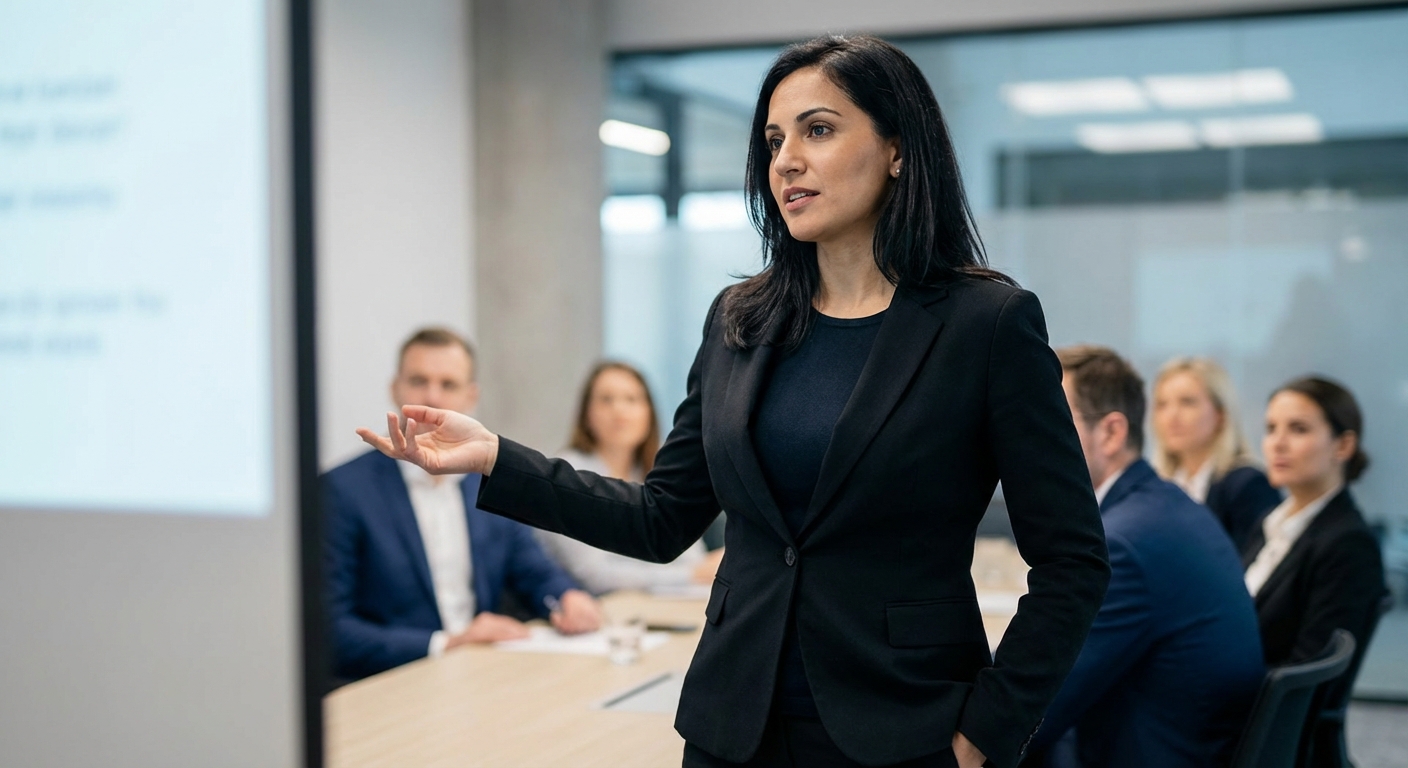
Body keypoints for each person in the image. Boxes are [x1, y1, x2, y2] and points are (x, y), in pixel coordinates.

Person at [360, 35, 1109, 768]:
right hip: (731, 724)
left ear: (897, 149)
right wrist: (497, 457)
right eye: (776, 138)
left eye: (819, 130)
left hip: (902, 727)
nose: (787, 159)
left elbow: (1073, 561)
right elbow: (659, 520)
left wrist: (988, 731)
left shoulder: (987, 324)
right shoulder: (741, 321)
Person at [1026, 346, 1263, 768]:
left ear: (1112, 433)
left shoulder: (1125, 543)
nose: (1027, 437)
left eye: (1047, 420)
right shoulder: (1162, 504)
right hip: (1182, 736)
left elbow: (1040, 703)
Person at [324, 328, 600, 681]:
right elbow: (329, 629)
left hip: (480, 676)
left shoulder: (488, 482)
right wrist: (448, 643)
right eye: (418, 381)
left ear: (472, 396)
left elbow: (533, 569)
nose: (432, 396)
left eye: (448, 384)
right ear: (395, 389)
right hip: (393, 684)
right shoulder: (343, 490)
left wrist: (566, 597)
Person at [1245, 376, 1387, 760]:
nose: (1277, 442)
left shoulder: (1347, 543)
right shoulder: (1269, 524)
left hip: (1265, 732)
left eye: (1299, 429)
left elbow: (1305, 676)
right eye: (1271, 428)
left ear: (1344, 445)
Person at [536, 361, 723, 594]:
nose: (619, 410)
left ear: (649, 413)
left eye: (632, 399)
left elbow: (689, 553)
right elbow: (593, 574)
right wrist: (690, 575)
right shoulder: (567, 472)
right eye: (606, 400)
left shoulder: (657, 471)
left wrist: (699, 569)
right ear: (586, 414)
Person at [1151, 357, 1280, 551]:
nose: (1172, 415)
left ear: (1220, 413)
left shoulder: (1247, 485)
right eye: (1162, 405)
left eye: (1187, 402)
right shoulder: (1157, 488)